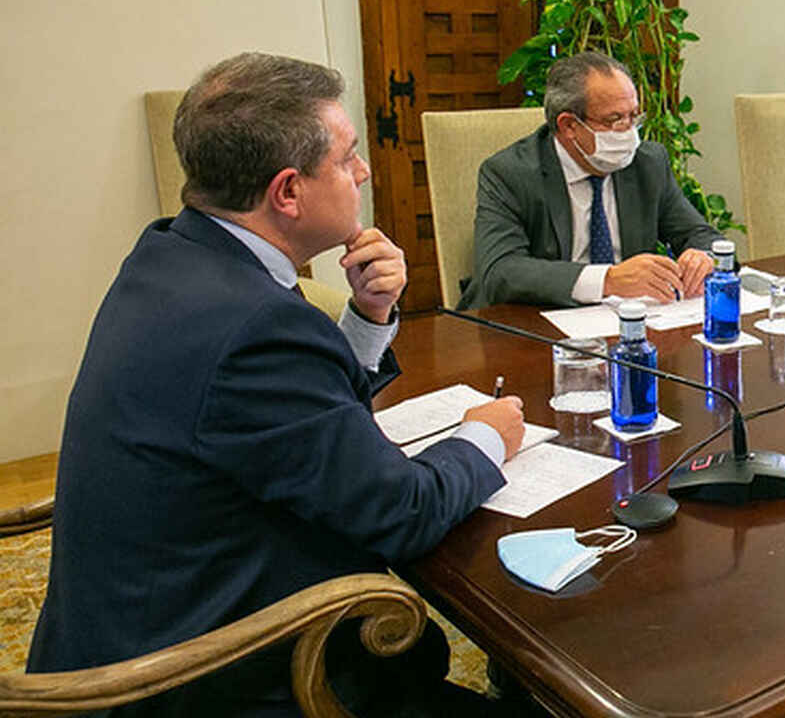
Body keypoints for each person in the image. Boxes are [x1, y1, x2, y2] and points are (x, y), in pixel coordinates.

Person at [28, 53, 526, 716]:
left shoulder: (174, 252)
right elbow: (402, 514)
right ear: (288, 192)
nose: (363, 172)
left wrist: (368, 316)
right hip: (205, 683)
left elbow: (292, 417)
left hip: (133, 624)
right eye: (347, 158)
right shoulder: (253, 325)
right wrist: (484, 439)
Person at [459, 50, 723, 308]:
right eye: (614, 120)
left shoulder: (647, 163)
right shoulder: (509, 173)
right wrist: (607, 280)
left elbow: (699, 234)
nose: (629, 133)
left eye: (633, 116)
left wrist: (703, 257)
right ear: (569, 126)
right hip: (539, 318)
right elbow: (500, 271)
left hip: (629, 318)